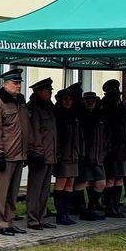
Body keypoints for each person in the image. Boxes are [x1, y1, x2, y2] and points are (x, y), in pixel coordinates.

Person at [0, 69, 29, 236]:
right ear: (5, 84)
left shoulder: (19, 102)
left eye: (19, 83)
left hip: (18, 154)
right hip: (6, 155)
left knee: (13, 192)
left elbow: (24, 128)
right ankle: (0, 223)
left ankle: (9, 220)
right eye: (15, 83)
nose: (18, 86)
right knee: (1, 192)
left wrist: (26, 153)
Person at [26, 78, 57, 230]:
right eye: (47, 91)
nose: (50, 93)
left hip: (49, 154)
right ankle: (32, 219)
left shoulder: (48, 107)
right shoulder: (34, 108)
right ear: (39, 92)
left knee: (45, 189)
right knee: (35, 189)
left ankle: (41, 217)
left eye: (50, 91)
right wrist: (37, 152)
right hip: (39, 154)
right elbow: (33, 133)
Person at [101, 79, 126, 218]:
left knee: (119, 178)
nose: (117, 99)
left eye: (118, 96)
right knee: (111, 179)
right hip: (112, 150)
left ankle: (115, 205)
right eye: (114, 96)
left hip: (123, 150)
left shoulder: (122, 110)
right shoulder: (107, 111)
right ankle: (109, 206)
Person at [52, 88, 82, 225]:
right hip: (63, 155)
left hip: (73, 155)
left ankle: (66, 212)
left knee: (70, 183)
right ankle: (60, 213)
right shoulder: (57, 115)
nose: (68, 102)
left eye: (70, 100)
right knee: (61, 182)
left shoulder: (74, 115)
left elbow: (80, 136)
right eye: (65, 100)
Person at [77, 91, 108, 220]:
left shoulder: (100, 117)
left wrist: (104, 151)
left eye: (93, 101)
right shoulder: (81, 117)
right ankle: (82, 208)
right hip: (84, 156)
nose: (90, 103)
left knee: (101, 183)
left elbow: (105, 136)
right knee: (82, 182)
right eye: (88, 101)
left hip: (98, 156)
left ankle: (93, 205)